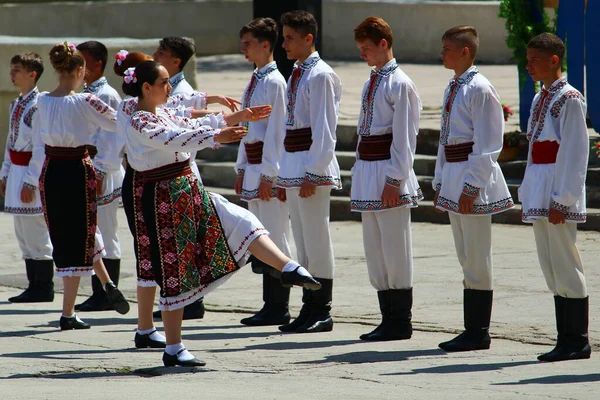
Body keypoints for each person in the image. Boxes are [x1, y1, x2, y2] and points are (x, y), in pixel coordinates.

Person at [122, 60, 321, 367]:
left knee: (242, 220)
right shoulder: (138, 121)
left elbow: (189, 120)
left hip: (186, 187)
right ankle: (173, 347)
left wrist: (236, 117)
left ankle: (288, 267)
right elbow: (174, 138)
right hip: (161, 195)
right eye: (163, 83)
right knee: (175, 270)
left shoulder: (161, 111)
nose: (169, 88)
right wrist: (217, 137)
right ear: (146, 88)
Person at [33, 42, 130, 330]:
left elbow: (40, 140)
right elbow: (119, 122)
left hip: (50, 171)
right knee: (79, 235)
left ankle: (106, 283)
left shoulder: (42, 101)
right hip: (76, 169)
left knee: (70, 234)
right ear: (79, 70)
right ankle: (68, 313)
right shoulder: (85, 101)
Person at [433, 26, 514, 352]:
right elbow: (444, 140)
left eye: (448, 48)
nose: (443, 53)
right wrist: (441, 182)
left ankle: (478, 331)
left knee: (477, 258)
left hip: (471, 179)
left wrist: (471, 187)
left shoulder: (479, 88)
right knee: (466, 257)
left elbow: (488, 143)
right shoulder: (454, 86)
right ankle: (472, 328)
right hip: (454, 175)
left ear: (465, 51)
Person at [153, 37, 241, 320]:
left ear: (176, 62)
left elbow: (188, 125)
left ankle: (191, 301)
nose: (155, 55)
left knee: (186, 240)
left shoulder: (178, 89)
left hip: (181, 171)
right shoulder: (163, 86)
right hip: (170, 170)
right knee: (179, 240)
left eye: (162, 53)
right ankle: (184, 299)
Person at [351, 17, 423, 341]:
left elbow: (405, 137)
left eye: (367, 48)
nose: (363, 54)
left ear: (383, 43)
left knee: (396, 247)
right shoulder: (372, 81)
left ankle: (401, 320)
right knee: (375, 247)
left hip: (387, 171)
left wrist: (395, 179)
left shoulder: (400, 83)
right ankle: (386, 317)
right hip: (368, 171)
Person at [520, 33, 590, 362]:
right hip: (541, 187)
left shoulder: (570, 98)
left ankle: (577, 339)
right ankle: (564, 337)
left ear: (553, 61)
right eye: (527, 59)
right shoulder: (540, 98)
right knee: (550, 266)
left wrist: (563, 199)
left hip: (557, 190)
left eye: (534, 59)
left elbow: (575, 152)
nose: (528, 65)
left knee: (565, 263)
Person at [276, 10, 342, 334]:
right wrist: (284, 173)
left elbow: (325, 129)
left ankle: (322, 309)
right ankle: (308, 306)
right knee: (302, 241)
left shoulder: (321, 75)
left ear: (308, 38)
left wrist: (313, 172)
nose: (283, 43)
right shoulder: (298, 72)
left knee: (317, 239)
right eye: (283, 37)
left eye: (289, 37)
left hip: (310, 166)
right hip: (294, 163)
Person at [235, 17, 292, 327]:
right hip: (254, 166)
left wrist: (271, 174)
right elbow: (248, 129)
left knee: (274, 236)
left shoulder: (274, 81)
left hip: (268, 168)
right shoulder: (256, 78)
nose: (243, 49)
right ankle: (269, 303)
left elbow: (276, 132)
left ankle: (278, 305)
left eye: (248, 43)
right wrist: (242, 167)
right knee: (260, 236)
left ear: (265, 45)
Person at [74, 40, 124, 312]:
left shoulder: (107, 94)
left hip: (103, 170)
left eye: (82, 60)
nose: (78, 66)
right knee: (93, 232)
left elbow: (112, 137)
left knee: (106, 231)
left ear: (97, 64)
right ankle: (100, 290)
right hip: (88, 167)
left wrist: (101, 170)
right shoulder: (84, 92)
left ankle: (107, 293)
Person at [0, 53, 54, 303]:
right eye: (12, 69)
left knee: (35, 230)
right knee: (22, 231)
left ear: (33, 74)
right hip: (17, 171)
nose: (12, 74)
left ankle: (44, 287)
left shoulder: (39, 104)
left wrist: (32, 180)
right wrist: (5, 173)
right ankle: (33, 284)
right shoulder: (17, 103)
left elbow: (41, 147)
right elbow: (11, 142)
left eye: (18, 70)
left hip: (31, 172)